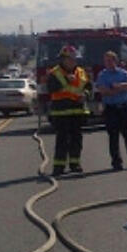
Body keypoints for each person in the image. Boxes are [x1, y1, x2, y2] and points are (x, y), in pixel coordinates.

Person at [46, 44, 91, 176]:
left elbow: (89, 87)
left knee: (77, 140)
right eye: (69, 59)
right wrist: (66, 79)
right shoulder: (55, 73)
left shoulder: (81, 72)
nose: (72, 61)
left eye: (74, 59)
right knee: (62, 140)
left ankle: (75, 164)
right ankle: (59, 167)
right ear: (63, 60)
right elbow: (51, 88)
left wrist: (86, 95)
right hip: (61, 112)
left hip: (77, 111)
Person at [95, 50, 127, 171]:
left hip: (124, 108)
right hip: (111, 109)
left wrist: (117, 87)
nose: (108, 63)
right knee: (113, 137)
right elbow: (103, 90)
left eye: (111, 60)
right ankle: (116, 163)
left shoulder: (123, 73)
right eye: (106, 61)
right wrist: (118, 89)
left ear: (115, 61)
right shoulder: (102, 75)